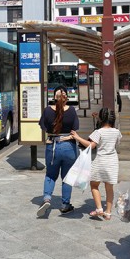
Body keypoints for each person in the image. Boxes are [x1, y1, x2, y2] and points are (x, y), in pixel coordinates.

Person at [71, 107, 122, 220]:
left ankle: (99, 209)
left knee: (94, 185)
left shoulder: (98, 132)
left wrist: (77, 137)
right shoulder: (117, 132)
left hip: (100, 161)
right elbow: (117, 143)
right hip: (112, 162)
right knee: (109, 188)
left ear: (101, 118)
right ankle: (108, 213)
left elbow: (91, 145)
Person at [37, 85, 80, 217]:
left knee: (50, 175)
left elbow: (43, 126)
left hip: (52, 146)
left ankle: (47, 199)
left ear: (53, 97)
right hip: (69, 147)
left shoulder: (47, 111)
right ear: (66, 97)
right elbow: (75, 129)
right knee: (67, 178)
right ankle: (65, 205)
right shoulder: (72, 111)